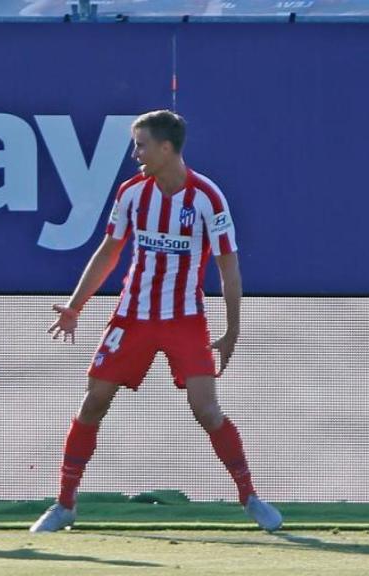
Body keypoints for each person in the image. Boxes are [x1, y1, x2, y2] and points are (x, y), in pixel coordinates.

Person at [30, 110, 282, 533]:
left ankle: (250, 497)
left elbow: (229, 268)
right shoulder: (132, 194)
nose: (135, 154)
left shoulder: (207, 199)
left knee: (206, 408)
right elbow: (110, 251)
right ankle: (65, 504)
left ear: (167, 148)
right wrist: (76, 306)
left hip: (185, 320)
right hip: (132, 317)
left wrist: (232, 329)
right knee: (93, 402)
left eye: (142, 145)